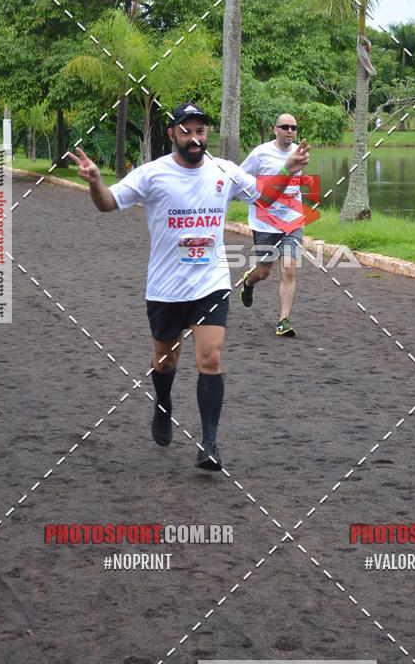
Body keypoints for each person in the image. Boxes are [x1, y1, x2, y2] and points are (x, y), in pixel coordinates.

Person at [69, 102, 309, 471]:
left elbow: (264, 195)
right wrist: (96, 181)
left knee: (210, 359)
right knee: (167, 360)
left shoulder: (223, 171)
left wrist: (286, 169)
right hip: (165, 289)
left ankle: (209, 444)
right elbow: (107, 204)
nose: (195, 138)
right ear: (172, 134)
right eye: (186, 131)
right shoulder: (152, 175)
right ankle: (163, 404)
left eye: (200, 131)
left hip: (211, 284)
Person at [239, 113, 304, 337]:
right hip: (265, 221)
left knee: (289, 268)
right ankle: (248, 282)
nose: (289, 131)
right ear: (274, 129)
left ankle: (283, 321)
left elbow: (295, 185)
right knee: (264, 271)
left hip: (292, 220)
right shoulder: (260, 154)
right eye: (284, 127)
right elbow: (240, 177)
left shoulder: (299, 152)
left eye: (293, 128)